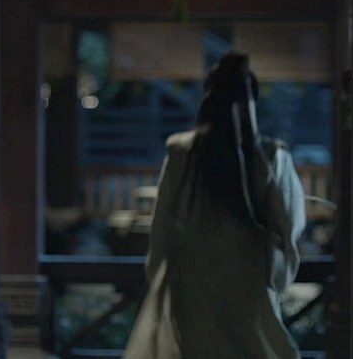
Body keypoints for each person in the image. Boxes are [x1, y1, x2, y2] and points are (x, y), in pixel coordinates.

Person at [124, 53, 307, 359]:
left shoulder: (184, 154)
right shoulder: (269, 158)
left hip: (194, 287)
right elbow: (288, 229)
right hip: (249, 284)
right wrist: (278, 275)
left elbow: (162, 226)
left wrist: (162, 275)